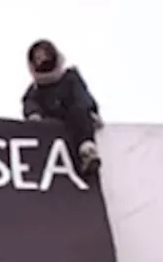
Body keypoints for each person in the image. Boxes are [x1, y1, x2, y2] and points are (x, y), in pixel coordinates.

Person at [22, 39, 103, 174]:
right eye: (38, 58)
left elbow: (81, 96)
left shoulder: (70, 77)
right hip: (51, 126)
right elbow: (29, 103)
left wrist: (90, 111)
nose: (42, 59)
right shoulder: (35, 91)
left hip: (75, 118)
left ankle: (87, 151)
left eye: (45, 55)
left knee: (78, 112)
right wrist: (33, 115)